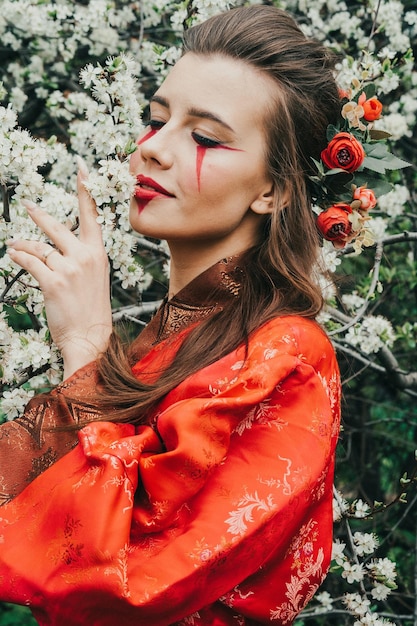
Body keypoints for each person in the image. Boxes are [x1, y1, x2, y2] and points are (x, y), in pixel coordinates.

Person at [0, 5, 341, 625]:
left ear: (274, 189)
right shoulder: (155, 348)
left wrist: (85, 344)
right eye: (155, 121)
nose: (152, 150)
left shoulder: (289, 358)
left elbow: (126, 582)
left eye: (205, 138)